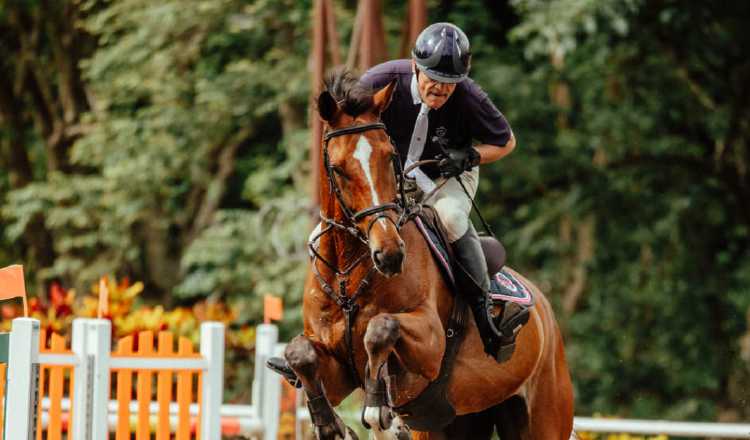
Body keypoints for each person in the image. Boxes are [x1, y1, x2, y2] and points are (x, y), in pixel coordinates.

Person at [267, 22, 516, 385]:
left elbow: (506, 143)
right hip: (387, 174)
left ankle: (484, 317)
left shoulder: (469, 96)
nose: (441, 89)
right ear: (415, 67)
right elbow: (342, 123)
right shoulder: (381, 79)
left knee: (449, 219)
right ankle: (314, 338)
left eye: (450, 82)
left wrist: (471, 155)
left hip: (449, 175)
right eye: (433, 78)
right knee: (321, 237)